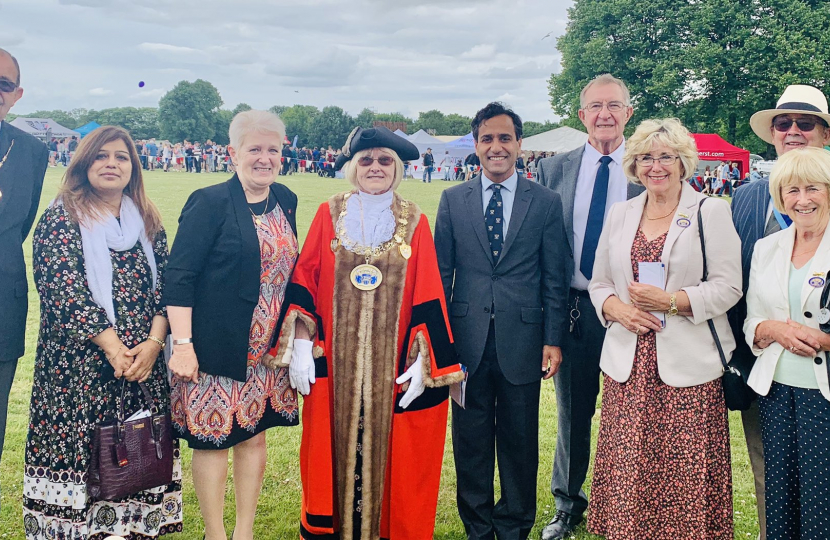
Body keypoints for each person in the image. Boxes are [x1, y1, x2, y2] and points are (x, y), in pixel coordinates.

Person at [272, 126, 463, 539]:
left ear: (397, 169)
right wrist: (302, 342)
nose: (375, 167)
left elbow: (429, 292)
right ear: (352, 167)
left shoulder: (414, 219)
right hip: (335, 365)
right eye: (366, 160)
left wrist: (424, 361)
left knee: (395, 457)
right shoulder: (330, 212)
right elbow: (305, 276)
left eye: (384, 161)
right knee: (328, 452)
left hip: (391, 364)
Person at [24, 125, 182, 538]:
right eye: (101, 156)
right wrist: (114, 348)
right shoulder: (62, 216)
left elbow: (170, 285)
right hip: (79, 371)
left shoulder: (146, 219)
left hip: (142, 367)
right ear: (84, 163)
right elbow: (63, 289)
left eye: (122, 157)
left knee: (137, 457)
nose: (112, 164)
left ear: (134, 167)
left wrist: (152, 344)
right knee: (85, 469)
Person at [587, 118, 740, 539]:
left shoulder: (710, 211)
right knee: (629, 468)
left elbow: (729, 288)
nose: (656, 166)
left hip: (688, 370)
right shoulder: (620, 213)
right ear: (634, 165)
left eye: (666, 156)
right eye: (646, 157)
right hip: (628, 369)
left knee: (683, 473)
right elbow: (598, 283)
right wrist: (617, 308)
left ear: (683, 162)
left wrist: (673, 302)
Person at [434, 102, 569, 540]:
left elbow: (555, 276)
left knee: (519, 441)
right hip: (466, 341)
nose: (496, 146)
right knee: (470, 442)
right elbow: (439, 275)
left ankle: (513, 526)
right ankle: (478, 527)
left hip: (524, 340)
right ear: (475, 145)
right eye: (488, 138)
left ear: (519, 144)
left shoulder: (545, 202)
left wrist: (553, 338)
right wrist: (441, 344)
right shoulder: (453, 199)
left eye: (505, 138)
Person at [164, 110, 299, 540]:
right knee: (212, 441)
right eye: (254, 149)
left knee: (253, 437)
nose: (264, 158)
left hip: (267, 350)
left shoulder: (287, 199)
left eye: (272, 150)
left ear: (283, 154)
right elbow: (179, 276)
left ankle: (244, 532)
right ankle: (215, 534)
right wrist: (182, 344)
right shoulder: (210, 201)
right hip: (214, 347)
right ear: (233, 152)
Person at [536, 73, 643, 540]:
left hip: (632, 312)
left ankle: (630, 505)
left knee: (634, 414)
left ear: (628, 113)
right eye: (595, 107)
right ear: (581, 116)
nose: (604, 114)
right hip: (575, 311)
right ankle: (567, 504)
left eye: (613, 106)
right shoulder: (554, 169)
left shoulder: (649, 167)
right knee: (573, 415)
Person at [730, 84, 830, 539]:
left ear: (824, 133)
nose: (792, 131)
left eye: (804, 123)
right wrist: (765, 329)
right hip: (767, 376)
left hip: (821, 383)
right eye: (783, 123)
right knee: (774, 485)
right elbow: (742, 295)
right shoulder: (747, 200)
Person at [0, 48, 48, 498]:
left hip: (3, 303)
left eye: (3, 84)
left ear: (16, 95)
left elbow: (21, 222)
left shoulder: (31, 150)